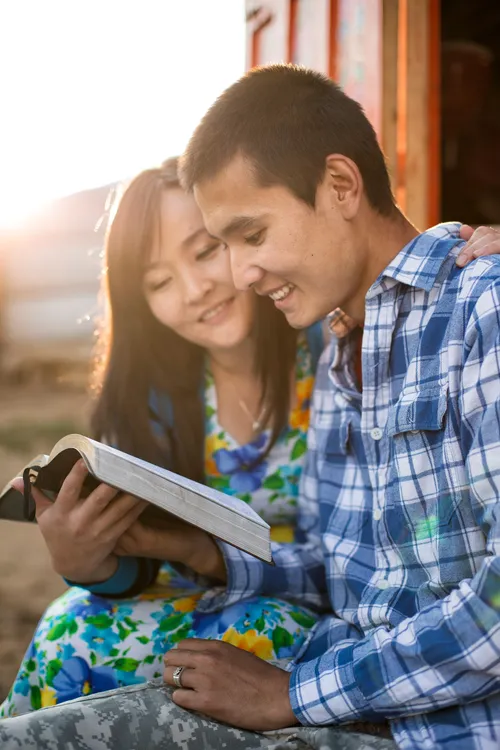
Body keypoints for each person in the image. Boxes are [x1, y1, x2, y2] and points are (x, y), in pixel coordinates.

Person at [2, 65, 500, 750]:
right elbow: (337, 568)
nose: (235, 277)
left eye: (249, 237)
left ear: (340, 185)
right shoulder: (345, 350)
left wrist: (290, 693)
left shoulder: (480, 309)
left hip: (436, 728)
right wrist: (179, 548)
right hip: (353, 693)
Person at [0, 157, 324, 717]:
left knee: (243, 637)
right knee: (66, 630)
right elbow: (140, 564)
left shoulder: (329, 349)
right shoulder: (153, 394)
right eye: (159, 282)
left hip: (316, 599)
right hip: (194, 592)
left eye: (204, 251)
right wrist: (87, 562)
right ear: (139, 302)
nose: (195, 289)